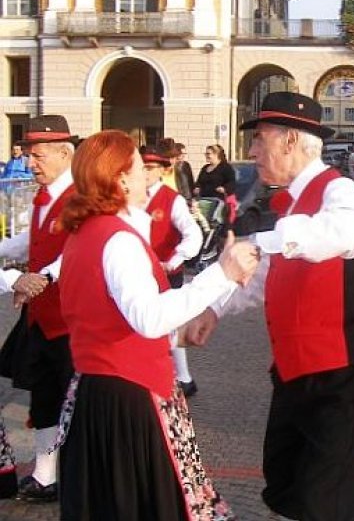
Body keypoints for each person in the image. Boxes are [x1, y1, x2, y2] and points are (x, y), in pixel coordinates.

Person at [184, 91, 354, 521]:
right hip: (295, 369)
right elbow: (260, 278)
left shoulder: (339, 189)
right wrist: (213, 309)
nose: (253, 150)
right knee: (287, 484)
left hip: (339, 371)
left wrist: (263, 243)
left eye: (259, 139)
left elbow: (343, 232)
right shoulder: (289, 201)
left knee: (325, 498)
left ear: (290, 142)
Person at [56, 129, 257, 520]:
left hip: (100, 390)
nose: (150, 177)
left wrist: (179, 331)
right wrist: (222, 274)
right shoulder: (117, 240)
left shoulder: (84, 235)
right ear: (120, 179)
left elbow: (109, 315)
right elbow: (147, 317)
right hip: (130, 396)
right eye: (138, 167)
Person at [0, 115, 77, 502]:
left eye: (39, 154)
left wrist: (41, 278)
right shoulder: (42, 197)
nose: (31, 162)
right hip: (41, 319)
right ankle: (46, 477)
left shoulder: (82, 197)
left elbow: (77, 249)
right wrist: (6, 257)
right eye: (29, 154)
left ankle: (80, 476)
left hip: (70, 322)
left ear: (66, 153)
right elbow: (31, 241)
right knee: (45, 397)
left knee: (73, 401)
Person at [141, 145, 204, 397]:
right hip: (141, 273)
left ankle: (184, 378)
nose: (144, 172)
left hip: (167, 272)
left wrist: (175, 259)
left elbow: (193, 234)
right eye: (141, 167)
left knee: (171, 325)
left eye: (150, 168)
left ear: (163, 170)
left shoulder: (172, 199)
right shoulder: (129, 197)